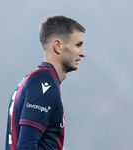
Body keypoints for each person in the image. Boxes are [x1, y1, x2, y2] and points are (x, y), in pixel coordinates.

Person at [5, 15, 86, 150]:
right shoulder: (44, 85)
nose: (83, 53)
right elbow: (26, 146)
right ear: (58, 46)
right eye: (78, 45)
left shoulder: (34, 80)